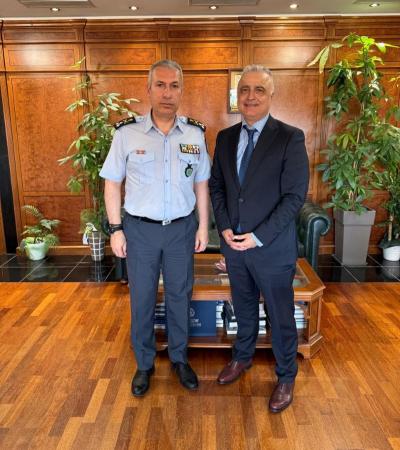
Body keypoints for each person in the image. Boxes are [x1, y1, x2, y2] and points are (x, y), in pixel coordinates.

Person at [100, 59, 210, 397]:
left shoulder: (195, 133)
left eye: (174, 86)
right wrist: (115, 229)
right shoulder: (126, 133)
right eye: (160, 85)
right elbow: (112, 183)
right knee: (143, 297)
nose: (167, 92)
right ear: (148, 89)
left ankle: (179, 358)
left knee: (180, 295)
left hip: (181, 229)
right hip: (140, 231)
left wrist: (203, 227)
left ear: (181, 90)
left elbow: (201, 184)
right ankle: (144, 364)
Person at [209, 65, 309, 413]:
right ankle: (242, 357)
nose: (250, 96)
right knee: (244, 306)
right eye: (244, 89)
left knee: (280, 315)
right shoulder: (225, 137)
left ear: (271, 95)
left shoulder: (289, 137)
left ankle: (286, 376)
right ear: (237, 95)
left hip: (271, 248)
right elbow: (217, 187)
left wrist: (258, 237)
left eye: (259, 90)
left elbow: (294, 197)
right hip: (234, 246)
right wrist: (224, 227)